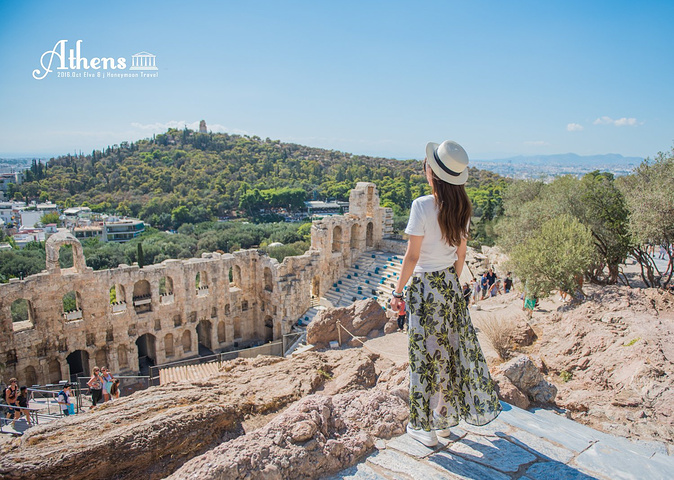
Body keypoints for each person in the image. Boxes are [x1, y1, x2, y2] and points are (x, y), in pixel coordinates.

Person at [390, 140, 501, 448]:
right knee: (449, 355)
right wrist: (449, 281)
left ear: (433, 174)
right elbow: (460, 255)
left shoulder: (422, 205)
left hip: (425, 287)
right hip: (450, 285)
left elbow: (412, 257)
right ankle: (445, 419)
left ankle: (422, 426)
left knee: (423, 355)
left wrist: (397, 292)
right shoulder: (463, 208)